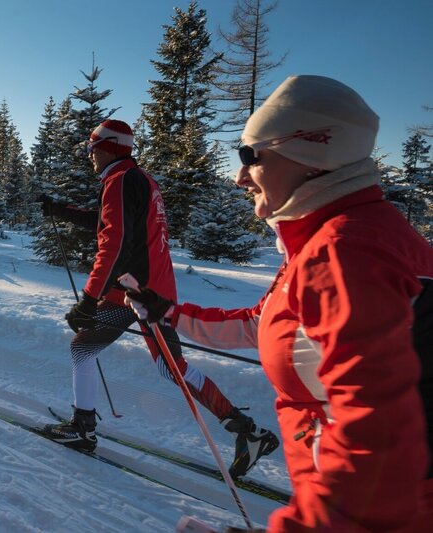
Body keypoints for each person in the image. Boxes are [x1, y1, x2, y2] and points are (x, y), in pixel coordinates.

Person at [125, 75, 433, 532]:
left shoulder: (346, 253)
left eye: (250, 156)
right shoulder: (336, 239)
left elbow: (378, 444)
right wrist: (169, 313)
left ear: (311, 150)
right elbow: (271, 327)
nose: (239, 177)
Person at [39, 119, 279, 479]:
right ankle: (83, 426)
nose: (90, 156)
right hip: (135, 291)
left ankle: (248, 431)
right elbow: (112, 225)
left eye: (92, 149)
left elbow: (114, 242)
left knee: (171, 367)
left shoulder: (121, 180)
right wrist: (62, 212)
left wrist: (89, 298)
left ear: (106, 147)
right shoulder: (136, 179)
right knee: (83, 348)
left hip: (143, 295)